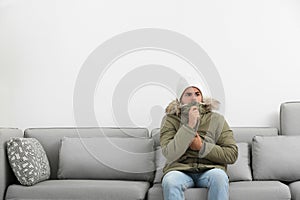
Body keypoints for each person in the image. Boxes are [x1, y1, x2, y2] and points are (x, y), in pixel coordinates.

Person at [160, 83, 238, 200]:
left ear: (202, 97)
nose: (194, 98)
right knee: (170, 181)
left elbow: (232, 154)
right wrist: (189, 126)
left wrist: (202, 147)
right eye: (188, 94)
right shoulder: (170, 120)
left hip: (210, 169)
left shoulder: (216, 119)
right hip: (179, 170)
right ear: (180, 99)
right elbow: (169, 153)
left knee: (220, 177)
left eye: (197, 94)